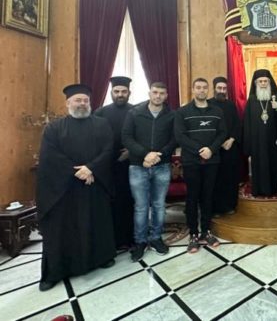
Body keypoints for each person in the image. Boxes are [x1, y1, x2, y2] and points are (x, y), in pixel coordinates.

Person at [37, 84, 116, 291]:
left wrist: (91, 168)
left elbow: (109, 149)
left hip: (94, 185)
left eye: (85, 100)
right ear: (68, 103)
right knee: (60, 229)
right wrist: (78, 172)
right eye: (78, 100)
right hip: (64, 190)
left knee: (97, 223)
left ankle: (101, 258)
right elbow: (50, 156)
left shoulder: (102, 124)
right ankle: (54, 272)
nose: (82, 104)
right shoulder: (54, 128)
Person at [122, 82, 176, 262]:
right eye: (155, 92)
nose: (158, 96)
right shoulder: (134, 113)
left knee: (159, 205)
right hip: (138, 166)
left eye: (162, 93)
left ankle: (156, 238)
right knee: (141, 206)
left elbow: (174, 139)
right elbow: (126, 137)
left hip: (162, 165)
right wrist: (145, 154)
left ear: (166, 95)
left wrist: (158, 155)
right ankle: (140, 241)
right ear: (149, 93)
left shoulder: (172, 115)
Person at [175, 77, 227, 253]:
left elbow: (222, 133)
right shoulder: (182, 112)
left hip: (212, 160)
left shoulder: (217, 111)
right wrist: (199, 150)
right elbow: (180, 136)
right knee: (192, 197)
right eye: (198, 87)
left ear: (208, 90)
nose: (202, 90)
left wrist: (211, 149)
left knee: (208, 196)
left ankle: (206, 231)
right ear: (193, 89)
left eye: (204, 87)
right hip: (191, 162)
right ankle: (193, 234)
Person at [94, 76, 135, 250]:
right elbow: (94, 139)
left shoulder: (136, 111)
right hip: (107, 166)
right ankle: (111, 239)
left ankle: (130, 238)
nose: (120, 94)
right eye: (117, 91)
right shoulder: (100, 113)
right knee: (109, 202)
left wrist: (131, 151)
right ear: (111, 92)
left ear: (129, 93)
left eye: (123, 91)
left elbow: (143, 135)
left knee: (129, 201)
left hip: (131, 164)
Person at [243, 69, 277, 197]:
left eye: (265, 81)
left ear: (269, 83)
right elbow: (247, 123)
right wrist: (248, 145)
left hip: (273, 140)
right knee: (259, 165)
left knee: (273, 164)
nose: (263, 84)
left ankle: (273, 189)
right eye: (260, 81)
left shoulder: (276, 98)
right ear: (256, 83)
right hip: (257, 141)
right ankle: (258, 190)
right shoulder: (252, 100)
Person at [209, 76, 241, 216]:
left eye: (224, 88)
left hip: (229, 147)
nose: (222, 91)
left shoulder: (231, 105)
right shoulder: (208, 104)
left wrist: (232, 139)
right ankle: (215, 209)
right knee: (215, 179)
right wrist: (219, 142)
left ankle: (229, 206)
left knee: (229, 178)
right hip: (214, 149)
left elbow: (237, 124)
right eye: (219, 88)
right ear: (214, 89)